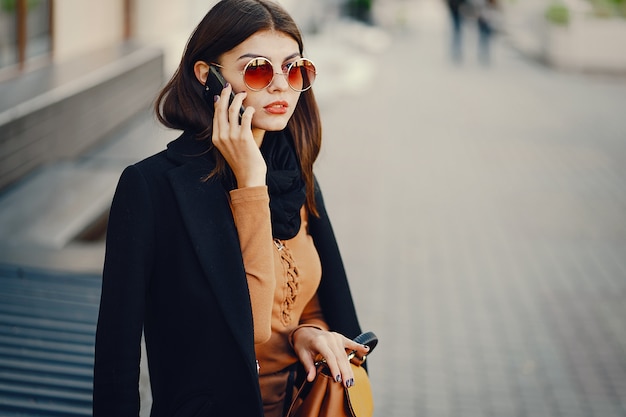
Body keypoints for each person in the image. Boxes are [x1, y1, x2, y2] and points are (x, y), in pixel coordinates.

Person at [92, 1, 369, 416]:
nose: (280, 86)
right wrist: (251, 186)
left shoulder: (296, 176)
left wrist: (309, 332)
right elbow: (118, 357)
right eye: (257, 69)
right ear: (208, 76)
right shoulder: (151, 188)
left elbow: (314, 302)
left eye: (294, 69)